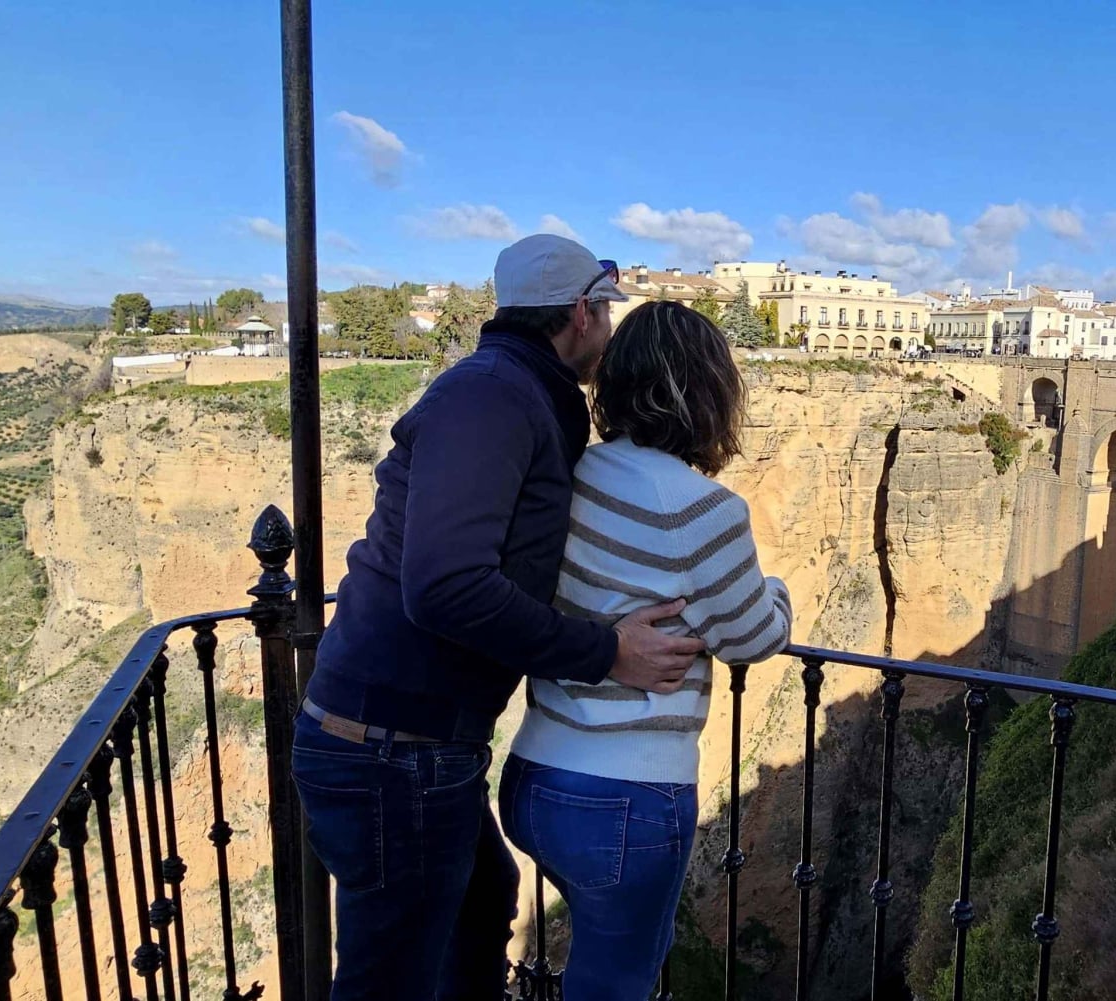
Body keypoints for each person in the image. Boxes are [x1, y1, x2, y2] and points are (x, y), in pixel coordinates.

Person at [292, 236, 707, 1001]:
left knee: (481, 907)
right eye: (605, 313)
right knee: (393, 980)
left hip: (411, 747)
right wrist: (605, 651)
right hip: (391, 751)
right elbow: (446, 584)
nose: (608, 333)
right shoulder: (491, 397)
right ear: (580, 313)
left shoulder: (515, 392)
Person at [500, 300, 793, 1000]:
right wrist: (777, 587)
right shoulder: (703, 509)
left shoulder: (573, 472)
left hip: (532, 779)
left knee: (607, 962)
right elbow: (754, 635)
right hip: (624, 801)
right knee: (619, 981)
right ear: (710, 393)